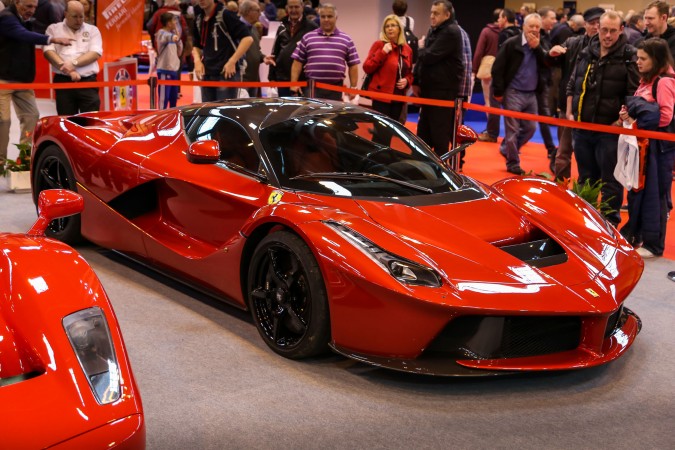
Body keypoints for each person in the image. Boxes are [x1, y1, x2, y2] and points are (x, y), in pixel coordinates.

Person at [566, 10, 640, 226]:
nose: (608, 35)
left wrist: (620, 122)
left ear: (621, 30)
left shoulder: (628, 55)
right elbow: (573, 83)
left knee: (611, 181)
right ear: (597, 29)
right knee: (585, 178)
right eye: (604, 30)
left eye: (613, 31)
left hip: (610, 132)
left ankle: (609, 225)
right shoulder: (587, 51)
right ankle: (583, 223)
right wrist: (571, 112)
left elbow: (633, 93)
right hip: (582, 128)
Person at [619, 38, 675, 258]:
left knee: (656, 195)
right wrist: (628, 114)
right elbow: (637, 104)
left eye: (643, 58)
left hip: (658, 148)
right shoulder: (648, 79)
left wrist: (638, 116)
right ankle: (638, 235)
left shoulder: (664, 82)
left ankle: (654, 245)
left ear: (656, 59)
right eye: (638, 58)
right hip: (643, 147)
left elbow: (665, 117)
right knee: (639, 192)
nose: (638, 62)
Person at [0, 0, 71, 163]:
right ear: (17, 3)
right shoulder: (6, 17)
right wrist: (52, 39)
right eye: (28, 6)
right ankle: (0, 161)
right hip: (3, 80)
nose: (32, 11)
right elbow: (22, 35)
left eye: (34, 7)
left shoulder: (27, 20)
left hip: (24, 81)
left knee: (32, 117)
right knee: (2, 122)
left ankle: (24, 159)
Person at [547, 7, 603, 181]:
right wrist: (552, 53)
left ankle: (587, 192)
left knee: (590, 156)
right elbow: (551, 59)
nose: (596, 27)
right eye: (592, 23)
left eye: (598, 23)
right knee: (563, 152)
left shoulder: (611, 47)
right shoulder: (572, 42)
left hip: (596, 112)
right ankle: (561, 187)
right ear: (584, 25)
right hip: (569, 106)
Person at [491, 13, 548, 175]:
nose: (535, 30)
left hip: (531, 94)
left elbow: (548, 63)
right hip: (513, 92)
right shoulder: (511, 44)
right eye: (531, 26)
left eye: (538, 27)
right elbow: (498, 68)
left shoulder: (541, 45)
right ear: (524, 27)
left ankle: (507, 148)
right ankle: (513, 162)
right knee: (513, 130)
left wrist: (538, 48)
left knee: (531, 128)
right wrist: (499, 91)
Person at [411, 1, 464, 158]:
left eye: (436, 13)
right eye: (431, 12)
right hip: (431, 89)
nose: (432, 16)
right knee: (424, 133)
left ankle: (441, 173)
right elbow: (425, 60)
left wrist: (420, 48)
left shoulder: (451, 31)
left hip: (442, 91)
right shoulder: (435, 30)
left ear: (447, 15)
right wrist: (416, 81)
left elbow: (428, 57)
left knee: (439, 134)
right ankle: (423, 168)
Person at [290, 3, 360, 101]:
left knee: (332, 116)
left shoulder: (346, 39)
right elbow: (297, 61)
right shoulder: (308, 37)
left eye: (330, 16)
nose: (326, 19)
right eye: (323, 16)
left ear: (336, 18)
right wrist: (293, 83)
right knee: (312, 116)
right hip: (312, 87)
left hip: (335, 88)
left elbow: (353, 65)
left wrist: (353, 87)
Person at [43, 1, 102, 116]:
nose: (79, 20)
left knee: (91, 120)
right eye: (75, 16)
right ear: (65, 14)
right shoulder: (53, 29)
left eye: (81, 16)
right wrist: (66, 69)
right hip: (63, 82)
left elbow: (95, 53)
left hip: (87, 82)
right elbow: (48, 51)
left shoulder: (92, 30)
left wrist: (73, 63)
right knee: (66, 120)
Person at [192, 0, 253, 101]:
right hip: (207, 74)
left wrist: (232, 61)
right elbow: (196, 45)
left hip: (226, 73)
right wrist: (197, 61)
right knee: (208, 112)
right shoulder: (199, 19)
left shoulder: (225, 15)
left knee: (225, 112)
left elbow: (247, 39)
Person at [362, 14, 413, 122]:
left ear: (399, 29)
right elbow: (367, 67)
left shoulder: (407, 49)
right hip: (381, 98)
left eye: (393, 25)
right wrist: (383, 52)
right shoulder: (379, 45)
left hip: (398, 98)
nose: (390, 28)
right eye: (387, 26)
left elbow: (410, 73)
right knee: (380, 133)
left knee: (394, 131)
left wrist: (407, 81)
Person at [265, 0, 317, 97]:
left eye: (296, 7)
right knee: (283, 111)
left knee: (301, 111)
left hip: (303, 81)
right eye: (291, 7)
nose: (293, 10)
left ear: (302, 7)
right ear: (287, 8)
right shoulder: (281, 25)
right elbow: (274, 51)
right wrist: (271, 76)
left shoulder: (312, 27)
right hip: (282, 79)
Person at [472, 8, 501, 124]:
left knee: (488, 100)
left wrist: (474, 69)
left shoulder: (486, 31)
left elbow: (479, 51)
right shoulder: (505, 32)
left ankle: (491, 127)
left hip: (488, 69)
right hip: (502, 70)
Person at [155, 12, 183, 108]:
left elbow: (179, 52)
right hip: (164, 70)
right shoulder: (161, 33)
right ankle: (161, 119)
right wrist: (174, 37)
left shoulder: (174, 36)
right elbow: (165, 37)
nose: (175, 23)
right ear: (168, 23)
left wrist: (178, 38)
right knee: (164, 99)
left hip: (174, 71)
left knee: (173, 98)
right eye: (173, 21)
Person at [239, 0, 264, 97]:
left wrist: (263, 57)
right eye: (257, 10)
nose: (260, 13)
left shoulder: (254, 28)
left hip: (254, 78)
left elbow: (256, 51)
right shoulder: (237, 28)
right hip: (242, 79)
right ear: (248, 12)